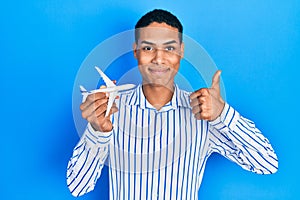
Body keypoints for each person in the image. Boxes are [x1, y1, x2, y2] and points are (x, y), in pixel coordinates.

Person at [67, 9, 278, 199]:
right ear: (136, 51)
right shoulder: (110, 112)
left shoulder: (204, 114)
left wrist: (223, 113)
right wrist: (98, 132)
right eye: (148, 48)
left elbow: (267, 163)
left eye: (169, 48)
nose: (159, 59)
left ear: (181, 51)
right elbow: (77, 187)